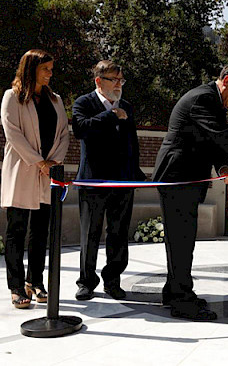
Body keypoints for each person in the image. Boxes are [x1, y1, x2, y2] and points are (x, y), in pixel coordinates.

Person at [152, 63, 228, 320]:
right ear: (227, 80)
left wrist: (225, 167)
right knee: (181, 240)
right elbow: (221, 136)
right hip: (177, 177)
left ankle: (174, 289)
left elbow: (212, 144)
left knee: (183, 239)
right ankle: (181, 301)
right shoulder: (203, 99)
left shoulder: (214, 102)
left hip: (189, 178)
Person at [1, 49, 69, 308]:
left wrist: (53, 162)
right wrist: (39, 161)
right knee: (16, 229)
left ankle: (35, 281)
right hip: (23, 170)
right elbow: (13, 133)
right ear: (31, 68)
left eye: (51, 69)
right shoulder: (12, 97)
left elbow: (64, 133)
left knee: (40, 230)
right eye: (46, 69)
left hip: (47, 173)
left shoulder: (56, 100)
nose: (50, 74)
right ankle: (17, 286)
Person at [72, 60, 145, 301]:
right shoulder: (84, 103)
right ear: (98, 81)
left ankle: (113, 281)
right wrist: (110, 115)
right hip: (93, 181)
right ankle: (86, 282)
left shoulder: (127, 106)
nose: (118, 84)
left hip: (123, 182)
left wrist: (135, 174)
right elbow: (81, 129)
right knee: (90, 233)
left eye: (120, 80)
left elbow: (132, 143)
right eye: (113, 79)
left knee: (118, 233)